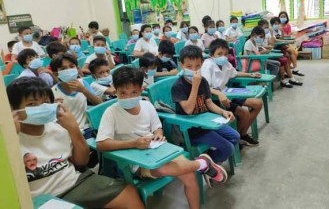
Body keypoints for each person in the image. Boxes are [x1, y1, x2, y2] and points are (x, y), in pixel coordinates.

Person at [96, 67, 228, 208]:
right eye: (122, 93)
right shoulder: (111, 112)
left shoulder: (147, 106)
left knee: (189, 176)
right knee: (165, 169)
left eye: (133, 92)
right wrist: (133, 143)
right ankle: (202, 164)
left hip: (158, 150)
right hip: (136, 161)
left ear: (141, 90)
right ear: (115, 91)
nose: (128, 97)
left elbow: (157, 127)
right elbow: (101, 144)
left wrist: (158, 134)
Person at [7, 77, 143, 208]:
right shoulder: (9, 140)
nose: (41, 108)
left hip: (75, 183)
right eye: (31, 104)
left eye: (46, 102)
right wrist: (10, 139)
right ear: (13, 109)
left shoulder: (58, 127)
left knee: (129, 192)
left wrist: (73, 129)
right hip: (41, 198)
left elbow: (82, 161)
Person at [172, 45, 240, 166]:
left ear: (202, 64)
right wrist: (195, 86)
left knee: (235, 136)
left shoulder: (203, 81)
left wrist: (222, 112)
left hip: (207, 123)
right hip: (192, 129)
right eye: (189, 67)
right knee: (228, 148)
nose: (194, 70)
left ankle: (208, 163)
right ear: (181, 65)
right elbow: (188, 110)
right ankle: (206, 167)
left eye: (198, 66)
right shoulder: (178, 86)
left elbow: (209, 103)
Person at [202, 39, 263, 146]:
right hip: (214, 98)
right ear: (212, 55)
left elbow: (234, 73)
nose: (223, 57)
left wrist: (250, 75)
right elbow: (205, 86)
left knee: (258, 104)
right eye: (219, 54)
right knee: (244, 114)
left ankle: (241, 134)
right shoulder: (208, 65)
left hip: (228, 92)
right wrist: (219, 94)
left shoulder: (226, 63)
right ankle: (236, 139)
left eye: (225, 54)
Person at [51, 53, 102, 138]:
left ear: (77, 69)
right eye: (63, 68)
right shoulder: (52, 92)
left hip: (86, 129)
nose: (69, 70)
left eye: (72, 66)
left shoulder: (82, 83)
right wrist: (53, 108)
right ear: (56, 74)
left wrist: (84, 90)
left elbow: (99, 103)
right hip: (66, 132)